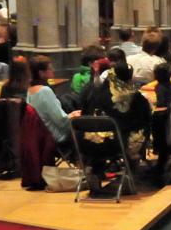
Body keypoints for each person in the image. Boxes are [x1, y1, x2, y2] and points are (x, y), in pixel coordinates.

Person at [83, 61, 151, 190]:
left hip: (87, 143)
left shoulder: (93, 93)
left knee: (101, 132)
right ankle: (130, 173)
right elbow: (144, 119)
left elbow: (84, 113)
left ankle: (96, 171)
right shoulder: (133, 97)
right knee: (140, 130)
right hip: (118, 144)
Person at [27, 56, 79, 146]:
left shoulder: (28, 91)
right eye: (50, 68)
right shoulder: (44, 91)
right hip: (55, 137)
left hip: (39, 137)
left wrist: (71, 115)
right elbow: (61, 121)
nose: (53, 70)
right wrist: (74, 117)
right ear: (41, 73)